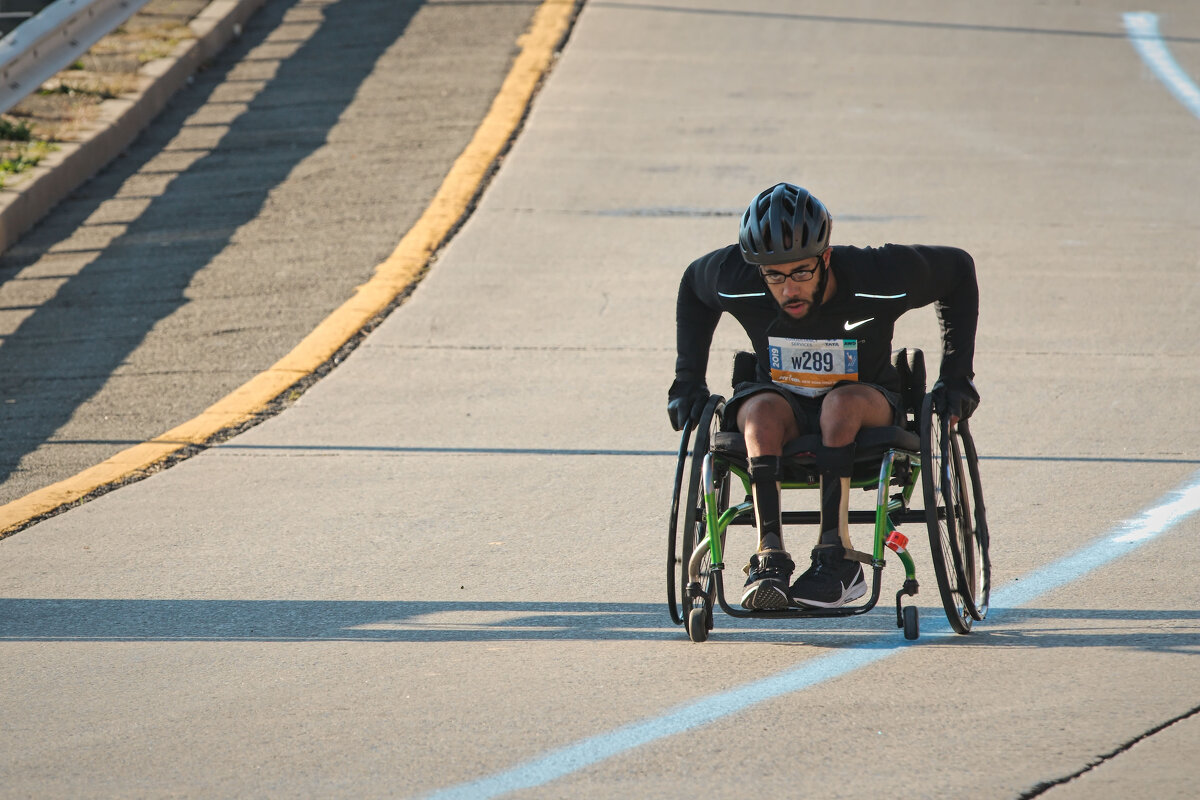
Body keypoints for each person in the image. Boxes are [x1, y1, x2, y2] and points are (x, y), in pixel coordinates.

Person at [668, 182, 979, 611]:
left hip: (865, 404)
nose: (788, 289)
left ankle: (838, 557)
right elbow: (693, 287)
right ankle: (769, 558)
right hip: (782, 402)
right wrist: (688, 381)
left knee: (840, 404)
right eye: (774, 276)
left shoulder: (878, 274)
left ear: (825, 258)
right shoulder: (735, 276)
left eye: (801, 273)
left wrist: (957, 377)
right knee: (757, 412)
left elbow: (958, 270)